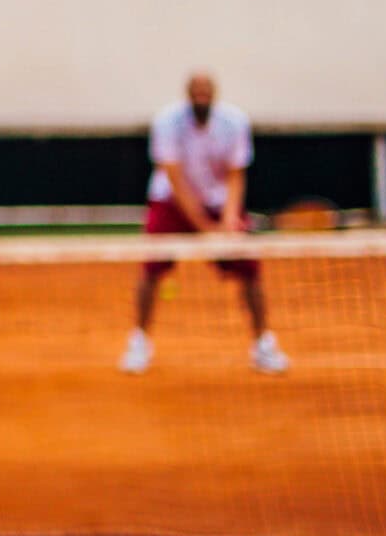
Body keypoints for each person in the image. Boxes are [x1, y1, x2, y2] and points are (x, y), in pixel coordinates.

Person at [119, 71, 287, 377]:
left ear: (214, 94)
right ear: (187, 95)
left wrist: (229, 218)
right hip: (171, 202)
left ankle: (263, 344)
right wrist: (203, 227)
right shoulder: (167, 122)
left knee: (250, 271)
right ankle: (139, 342)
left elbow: (237, 175)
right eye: (195, 91)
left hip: (219, 204)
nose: (201, 96)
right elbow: (174, 177)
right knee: (150, 269)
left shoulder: (234, 122)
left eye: (205, 91)